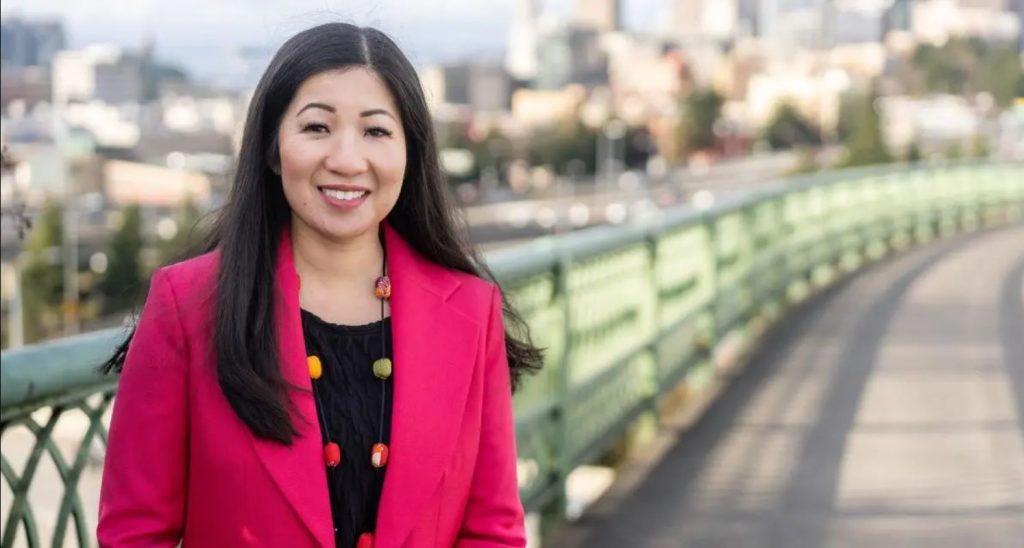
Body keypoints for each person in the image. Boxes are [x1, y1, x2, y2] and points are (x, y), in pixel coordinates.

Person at [97, 22, 542, 548]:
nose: (348, 160)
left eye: (376, 131)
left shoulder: (471, 313)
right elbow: (135, 533)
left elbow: (492, 532)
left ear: (411, 153)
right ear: (270, 147)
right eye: (316, 128)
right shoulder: (187, 305)